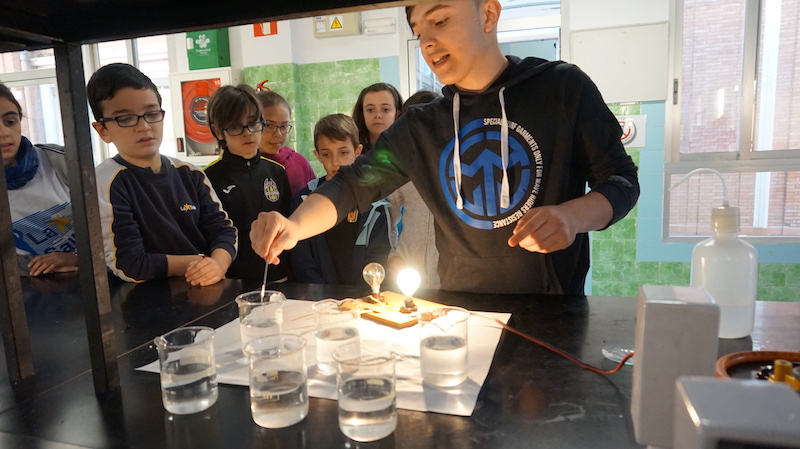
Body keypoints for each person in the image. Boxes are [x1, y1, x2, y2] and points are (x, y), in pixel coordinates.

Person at [251, 0, 640, 295]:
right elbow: (352, 186)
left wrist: (573, 216)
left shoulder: (561, 89)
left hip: (555, 308)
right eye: (419, 30)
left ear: (488, 14)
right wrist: (294, 225)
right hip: (460, 309)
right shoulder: (421, 126)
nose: (428, 42)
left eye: (440, 21)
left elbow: (622, 181)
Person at [89, 63, 236, 286]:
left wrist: (219, 263)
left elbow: (223, 230)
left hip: (208, 291)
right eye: (125, 118)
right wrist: (201, 262)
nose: (144, 126)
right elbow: (131, 265)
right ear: (102, 130)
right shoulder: (106, 182)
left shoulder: (190, 174)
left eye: (151, 113)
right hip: (146, 304)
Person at [203, 84, 292, 282]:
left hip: (279, 276)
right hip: (234, 281)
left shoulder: (276, 171)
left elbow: (289, 223)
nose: (248, 133)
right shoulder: (207, 178)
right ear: (218, 131)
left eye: (253, 124)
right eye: (235, 127)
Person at [289, 113, 391, 285]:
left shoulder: (376, 204)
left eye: (343, 152)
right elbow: (301, 260)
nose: (335, 162)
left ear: (357, 151)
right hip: (317, 300)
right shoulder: (304, 200)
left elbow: (378, 259)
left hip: (361, 300)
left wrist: (359, 298)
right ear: (317, 155)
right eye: (326, 154)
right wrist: (320, 294)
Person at [1, 82, 78, 276]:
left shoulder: (59, 160)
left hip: (97, 277)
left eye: (10, 122)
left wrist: (77, 258)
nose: (4, 133)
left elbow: (112, 220)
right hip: (34, 293)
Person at [386, 90, 443, 288]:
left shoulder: (458, 168)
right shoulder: (400, 168)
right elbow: (387, 217)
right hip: (408, 274)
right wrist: (392, 255)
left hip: (450, 277)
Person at [256, 89, 315, 196]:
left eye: (283, 126)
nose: (278, 134)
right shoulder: (247, 168)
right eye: (269, 125)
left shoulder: (299, 162)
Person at [351, 83, 403, 153]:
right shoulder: (350, 150)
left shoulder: (411, 150)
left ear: (397, 113)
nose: (377, 115)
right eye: (370, 110)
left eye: (385, 110)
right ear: (362, 113)